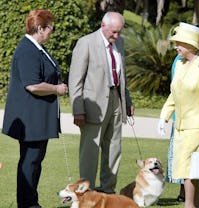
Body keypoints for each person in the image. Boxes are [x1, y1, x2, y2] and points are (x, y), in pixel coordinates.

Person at [1, 9, 68, 208]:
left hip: (38, 117)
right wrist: (56, 88)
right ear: (40, 28)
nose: (51, 33)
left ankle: (31, 201)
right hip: (31, 119)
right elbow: (32, 85)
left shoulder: (38, 48)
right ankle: (28, 203)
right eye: (50, 29)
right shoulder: (27, 50)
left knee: (34, 162)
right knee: (30, 162)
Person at [68, 12, 134, 194]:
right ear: (103, 25)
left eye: (119, 32)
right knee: (90, 152)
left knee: (114, 150)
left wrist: (127, 100)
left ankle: (108, 190)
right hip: (92, 107)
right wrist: (77, 110)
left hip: (116, 101)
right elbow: (75, 81)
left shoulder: (119, 43)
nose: (117, 36)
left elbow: (122, 75)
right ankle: (85, 193)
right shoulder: (85, 43)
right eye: (114, 32)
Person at [158, 22, 199, 208]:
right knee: (189, 168)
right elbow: (174, 94)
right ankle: (195, 205)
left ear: (190, 44)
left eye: (179, 43)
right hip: (181, 127)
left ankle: (189, 205)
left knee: (189, 169)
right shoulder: (181, 64)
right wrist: (164, 115)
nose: (176, 47)